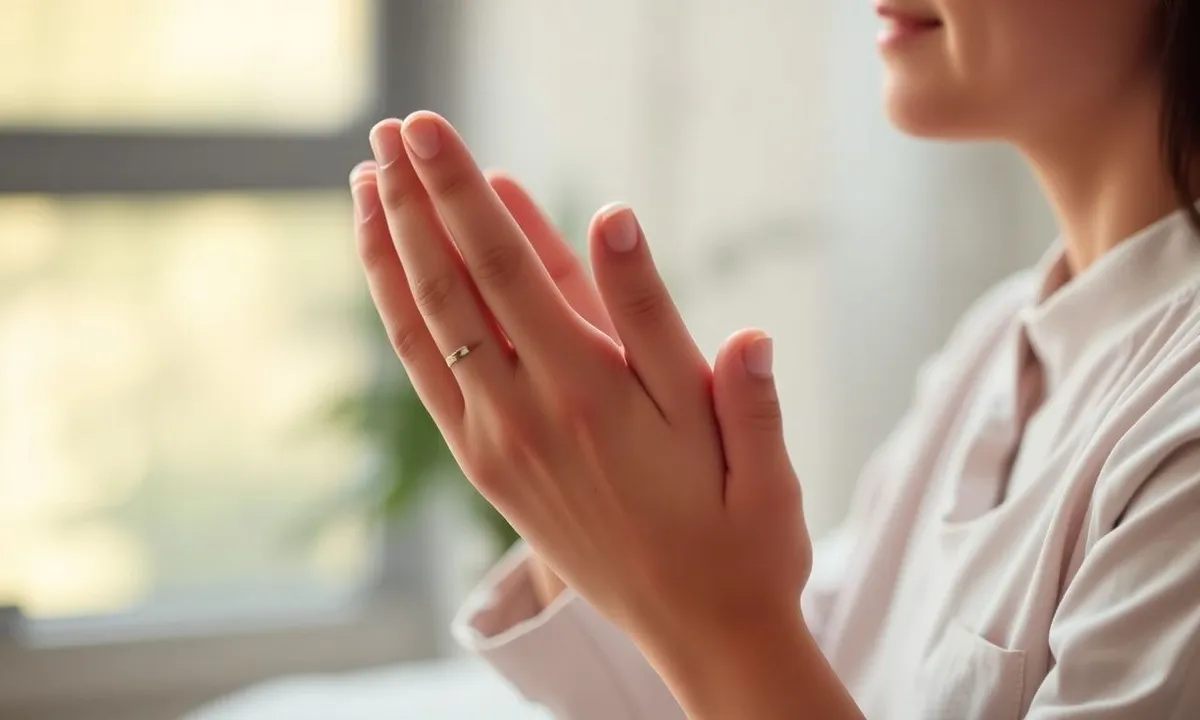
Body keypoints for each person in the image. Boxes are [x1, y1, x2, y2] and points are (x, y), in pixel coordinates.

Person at [344, 0, 1200, 716]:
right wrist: (602, 503)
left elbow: (747, 658)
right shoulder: (1000, 341)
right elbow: (797, 673)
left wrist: (711, 614)